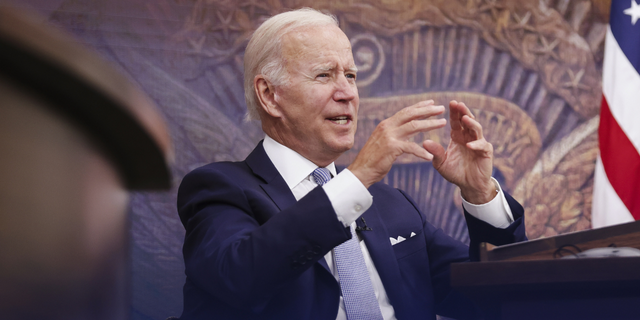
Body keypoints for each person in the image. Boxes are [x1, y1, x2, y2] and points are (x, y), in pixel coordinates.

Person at [177, 8, 526, 320]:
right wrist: (358, 179)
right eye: (324, 76)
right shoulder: (219, 189)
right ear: (270, 95)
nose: (347, 92)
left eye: (351, 76)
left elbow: (494, 301)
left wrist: (480, 194)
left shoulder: (394, 207)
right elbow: (241, 278)